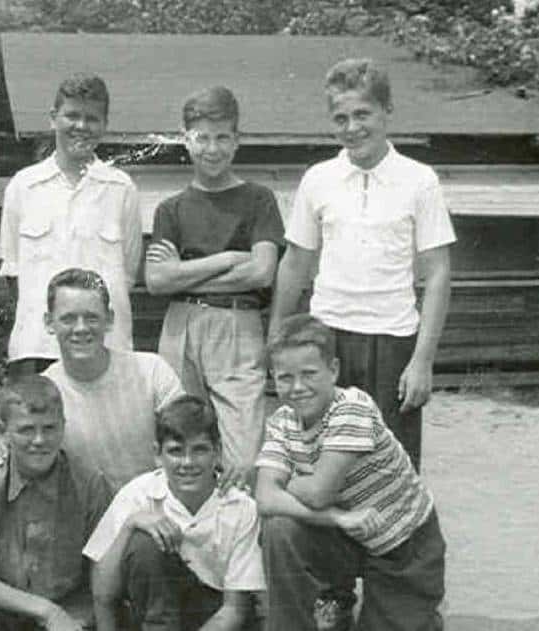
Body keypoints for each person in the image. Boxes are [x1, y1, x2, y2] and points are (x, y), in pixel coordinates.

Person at [268, 58, 456, 472]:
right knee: (322, 463)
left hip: (393, 341)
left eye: (362, 114)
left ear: (387, 111)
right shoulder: (318, 179)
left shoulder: (420, 180)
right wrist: (276, 340)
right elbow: (295, 262)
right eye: (341, 118)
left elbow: (438, 273)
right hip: (327, 338)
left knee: (390, 467)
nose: (352, 127)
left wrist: (422, 361)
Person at [255, 314, 446, 631]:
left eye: (309, 374)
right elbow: (265, 499)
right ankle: (308, 615)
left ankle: (420, 616)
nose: (298, 387)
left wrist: (286, 482)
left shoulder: (352, 407)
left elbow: (318, 493)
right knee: (279, 529)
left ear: (333, 370)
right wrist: (338, 518)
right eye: (285, 377)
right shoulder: (281, 422)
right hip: (348, 530)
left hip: (402, 545)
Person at [145, 86, 283, 492]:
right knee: (181, 441)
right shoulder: (170, 209)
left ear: (237, 140)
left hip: (236, 325)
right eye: (202, 138)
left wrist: (183, 271)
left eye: (222, 137)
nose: (212, 149)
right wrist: (226, 259)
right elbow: (157, 281)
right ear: (185, 139)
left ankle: (242, 528)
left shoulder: (258, 199)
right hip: (180, 326)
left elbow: (261, 272)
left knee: (243, 456)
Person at [0, 375, 113, 631]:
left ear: (63, 426)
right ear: (3, 431)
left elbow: (103, 573)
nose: (39, 440)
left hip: (72, 608)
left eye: (50, 428)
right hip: (8, 605)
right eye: (26, 429)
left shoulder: (89, 483)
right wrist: (46, 611)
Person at [0, 268, 184, 490]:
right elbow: (17, 440)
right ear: (49, 323)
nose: (81, 328)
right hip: (85, 510)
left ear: (109, 319)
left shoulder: (152, 372)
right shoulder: (42, 392)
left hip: (155, 503)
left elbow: (190, 436)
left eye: (91, 318)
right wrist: (0, 447)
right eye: (68, 319)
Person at [0, 72, 142, 375]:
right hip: (37, 346)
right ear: (53, 118)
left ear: (104, 124)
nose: (81, 126)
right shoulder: (23, 186)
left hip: (105, 347)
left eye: (92, 118)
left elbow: (127, 274)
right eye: (72, 116)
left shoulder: (121, 188)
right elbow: (13, 272)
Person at [85, 395, 265, 631]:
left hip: (215, 615)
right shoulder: (137, 494)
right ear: (157, 454)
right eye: (176, 451)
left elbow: (234, 610)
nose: (187, 462)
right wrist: (130, 524)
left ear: (217, 452)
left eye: (199, 450)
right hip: (152, 613)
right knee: (144, 543)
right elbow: (102, 594)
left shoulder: (241, 507)